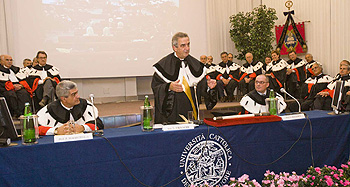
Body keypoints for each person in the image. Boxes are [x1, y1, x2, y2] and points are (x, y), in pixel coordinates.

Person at [151, 32, 217, 124]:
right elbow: (156, 87)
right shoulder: (163, 66)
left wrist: (209, 87)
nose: (187, 48)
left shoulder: (196, 65)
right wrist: (168, 87)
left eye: (188, 44)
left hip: (191, 111)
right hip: (172, 113)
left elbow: (201, 89)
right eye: (183, 45)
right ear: (175, 48)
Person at [37, 80, 104, 135]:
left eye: (77, 92)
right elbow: (36, 129)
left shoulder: (85, 105)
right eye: (74, 94)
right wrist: (56, 131)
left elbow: (98, 124)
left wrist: (83, 128)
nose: (78, 96)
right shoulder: (49, 110)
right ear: (64, 99)